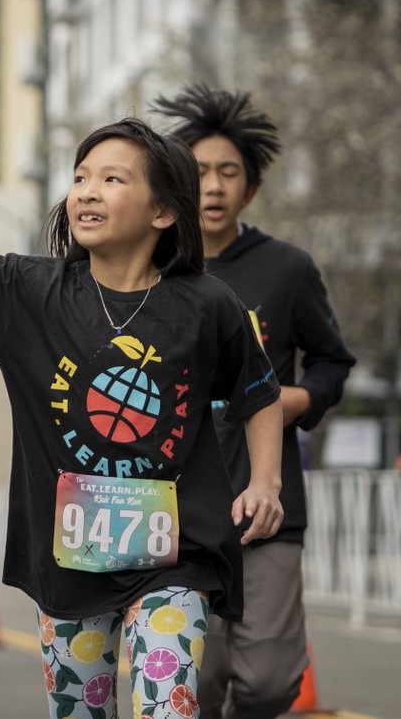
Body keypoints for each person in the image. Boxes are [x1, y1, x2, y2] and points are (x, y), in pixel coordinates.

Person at [0, 86, 285, 717]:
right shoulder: (26, 291)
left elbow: (259, 393)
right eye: (80, 177)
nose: (86, 191)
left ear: (163, 211)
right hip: (71, 563)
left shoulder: (207, 304)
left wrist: (266, 482)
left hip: (177, 556)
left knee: (168, 707)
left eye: (112, 179)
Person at [154, 84, 356, 719]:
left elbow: (333, 361)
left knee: (268, 682)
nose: (213, 186)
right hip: (175, 511)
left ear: (251, 189)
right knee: (197, 676)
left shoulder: (287, 268)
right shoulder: (152, 269)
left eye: (229, 172)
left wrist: (300, 397)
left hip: (267, 507)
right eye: (198, 172)